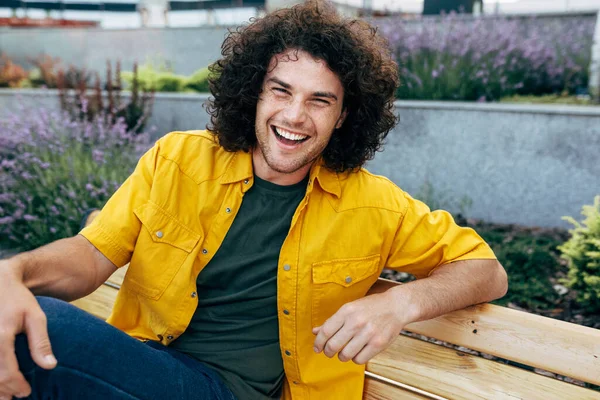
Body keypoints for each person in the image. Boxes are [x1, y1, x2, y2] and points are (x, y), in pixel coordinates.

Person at [0, 1, 508, 399]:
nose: (293, 115)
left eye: (319, 100)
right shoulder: (178, 161)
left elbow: (486, 270)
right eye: (280, 91)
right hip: (145, 371)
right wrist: (12, 274)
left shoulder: (374, 205)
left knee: (47, 331)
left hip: (222, 392)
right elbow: (91, 256)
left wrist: (401, 302)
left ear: (346, 116)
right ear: (255, 93)